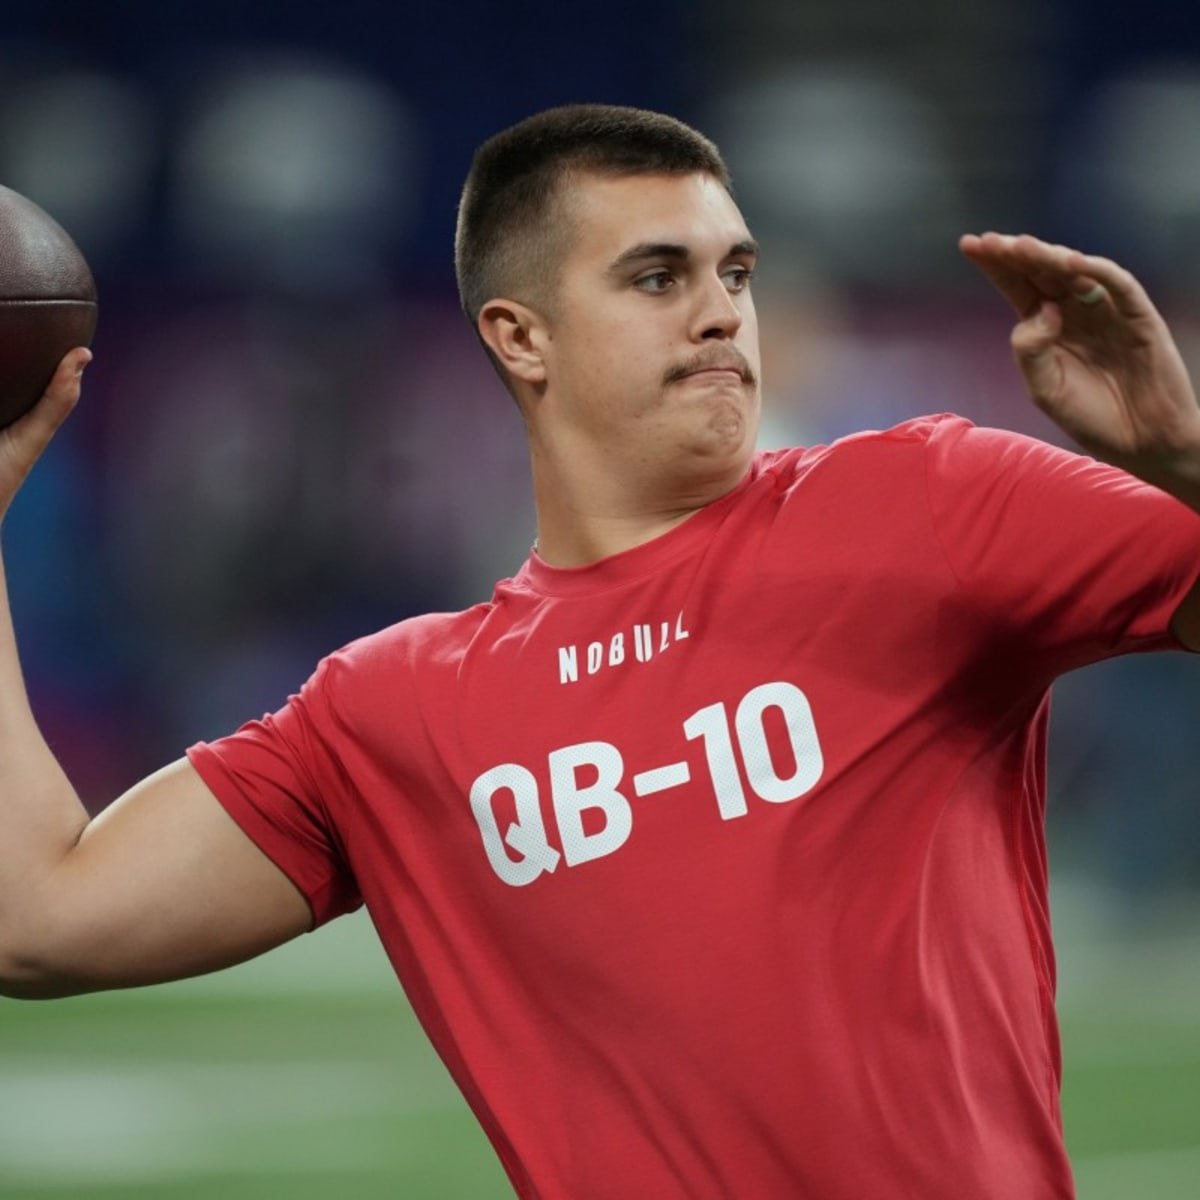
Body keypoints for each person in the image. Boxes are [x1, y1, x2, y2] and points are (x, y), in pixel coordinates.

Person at [2, 103, 1198, 1199]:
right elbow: (37, 920)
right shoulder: (390, 711)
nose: (722, 308)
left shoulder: (929, 499)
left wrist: (1184, 464)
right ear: (520, 337)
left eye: (736, 271)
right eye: (657, 276)